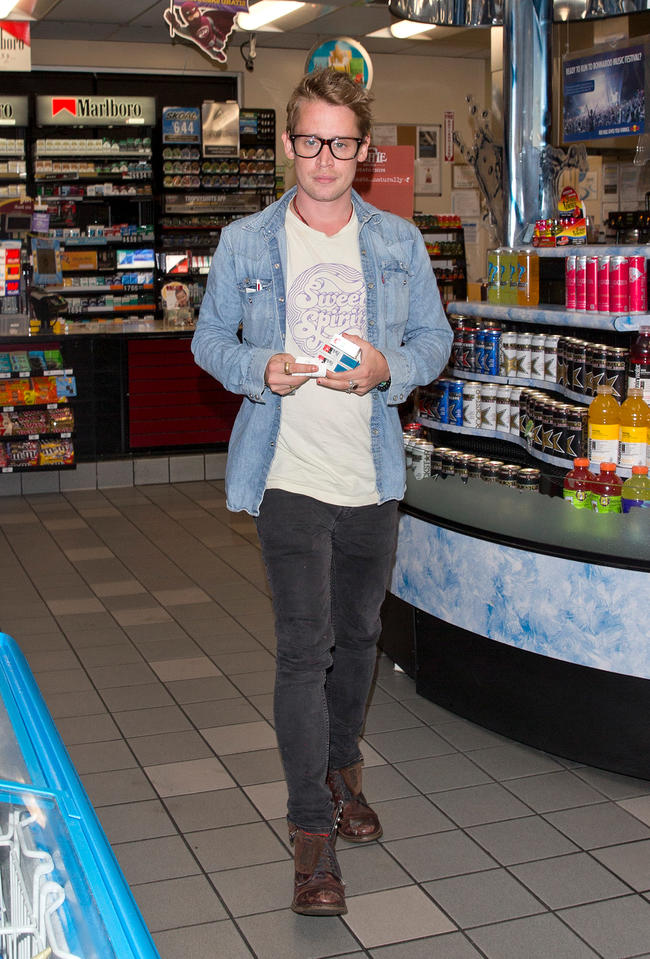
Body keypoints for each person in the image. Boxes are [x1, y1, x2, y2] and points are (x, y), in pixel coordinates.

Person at [192, 68, 452, 916]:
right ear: (289, 144)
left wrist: (387, 367)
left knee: (361, 636)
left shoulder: (397, 242)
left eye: (342, 143)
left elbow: (434, 339)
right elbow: (208, 337)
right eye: (311, 140)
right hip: (288, 475)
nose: (326, 158)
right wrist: (255, 367)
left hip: (371, 475)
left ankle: (344, 770)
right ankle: (312, 838)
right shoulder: (246, 241)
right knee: (304, 649)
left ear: (364, 150)